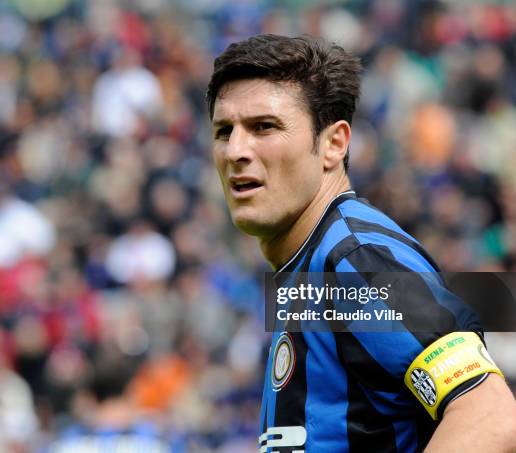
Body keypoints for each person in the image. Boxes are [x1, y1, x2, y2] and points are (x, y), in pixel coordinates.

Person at [206, 34, 516, 452]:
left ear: (334, 143)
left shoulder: (355, 258)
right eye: (224, 131)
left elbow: (490, 415)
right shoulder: (308, 266)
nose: (236, 150)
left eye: (264, 126)